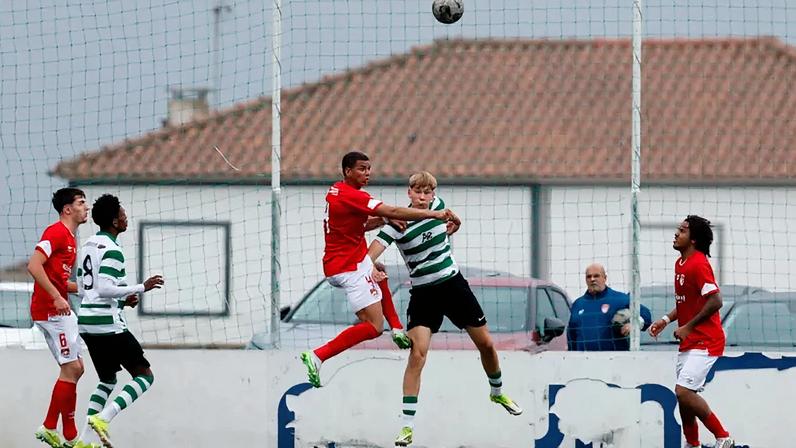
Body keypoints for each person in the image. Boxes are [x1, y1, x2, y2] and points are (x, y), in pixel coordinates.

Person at [367, 171, 522, 447]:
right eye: (419, 193)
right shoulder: (397, 222)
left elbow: (450, 218)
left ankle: (497, 392)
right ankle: (406, 427)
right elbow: (371, 253)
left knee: (486, 344)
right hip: (424, 294)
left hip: (454, 286)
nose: (425, 198)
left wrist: (457, 223)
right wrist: (371, 268)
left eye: (428, 193)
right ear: (409, 193)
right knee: (418, 354)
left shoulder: (439, 207)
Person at [300, 152, 460, 388]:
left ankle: (396, 328)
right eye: (362, 169)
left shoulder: (336, 190)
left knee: (379, 269)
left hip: (345, 261)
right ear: (347, 171)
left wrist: (383, 221)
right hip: (348, 267)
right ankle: (318, 356)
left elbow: (358, 226)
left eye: (369, 168)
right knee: (374, 327)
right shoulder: (353, 196)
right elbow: (393, 211)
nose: (367, 173)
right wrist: (433, 214)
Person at [73, 194, 164, 448]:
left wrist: (123, 301)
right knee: (144, 376)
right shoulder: (113, 249)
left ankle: (84, 441)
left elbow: (83, 287)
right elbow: (104, 287)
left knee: (108, 380)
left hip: (87, 321)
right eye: (123, 215)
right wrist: (141, 287)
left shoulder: (88, 245)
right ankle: (104, 418)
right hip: (107, 324)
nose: (126, 218)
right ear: (114, 222)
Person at [648, 216, 734, 448]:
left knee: (684, 392)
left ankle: (723, 437)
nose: (676, 234)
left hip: (707, 341)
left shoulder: (699, 264)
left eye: (683, 231)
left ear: (693, 239)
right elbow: (687, 302)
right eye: (678, 229)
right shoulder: (681, 264)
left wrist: (688, 326)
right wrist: (666, 320)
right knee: (683, 399)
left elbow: (715, 300)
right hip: (690, 342)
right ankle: (693, 444)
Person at [29, 188, 89, 448]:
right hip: (52, 311)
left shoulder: (71, 238)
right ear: (67, 209)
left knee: (77, 368)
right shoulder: (55, 232)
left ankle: (64, 433)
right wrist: (56, 296)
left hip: (59, 309)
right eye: (81, 203)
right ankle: (56, 430)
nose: (86, 207)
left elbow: (61, 280)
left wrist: (89, 289)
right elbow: (33, 265)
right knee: (72, 368)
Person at [567, 263, 652, 351]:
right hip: (583, 361)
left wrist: (634, 324)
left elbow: (647, 316)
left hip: (613, 361)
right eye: (589, 277)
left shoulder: (619, 299)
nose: (592, 279)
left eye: (596, 276)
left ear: (605, 278)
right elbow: (571, 336)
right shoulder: (578, 304)